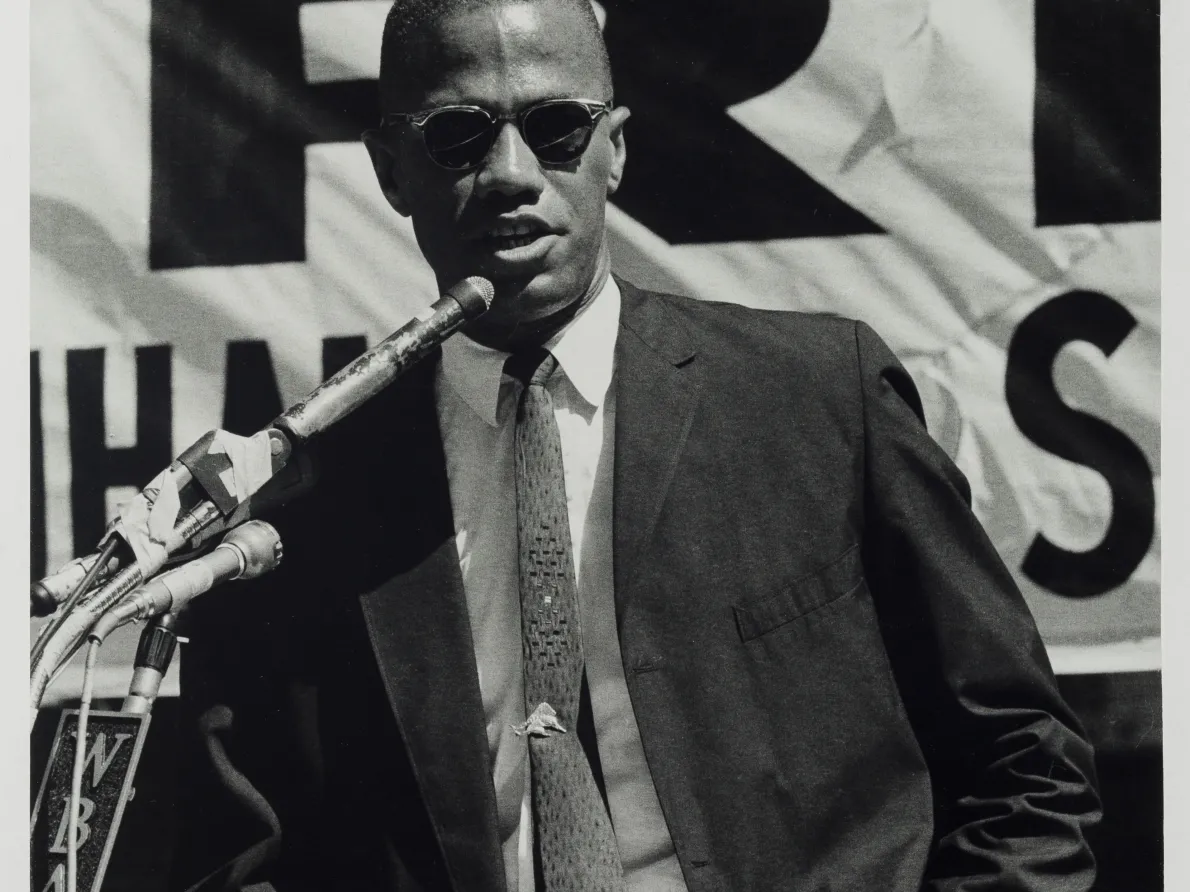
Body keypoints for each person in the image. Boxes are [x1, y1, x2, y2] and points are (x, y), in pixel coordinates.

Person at [173, 1, 1102, 890]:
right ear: (389, 168)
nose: (510, 171)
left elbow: (1023, 760)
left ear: (614, 149)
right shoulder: (309, 493)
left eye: (557, 127)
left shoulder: (819, 398)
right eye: (458, 133)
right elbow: (247, 856)